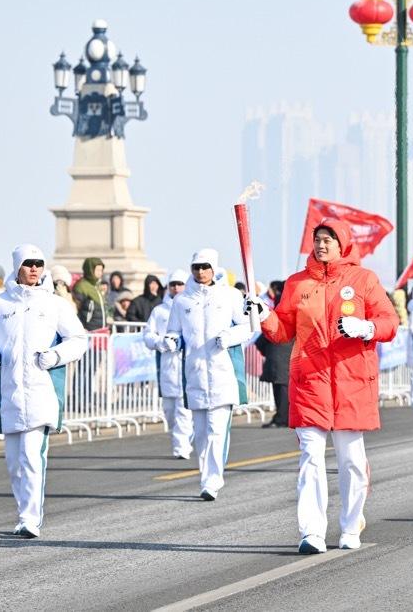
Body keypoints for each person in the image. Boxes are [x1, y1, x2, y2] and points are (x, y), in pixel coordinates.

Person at [252, 219, 399, 554]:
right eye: (318, 239)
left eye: (328, 239)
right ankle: (312, 532)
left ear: (342, 243)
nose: (321, 245)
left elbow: (390, 323)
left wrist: (364, 327)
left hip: (351, 379)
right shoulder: (297, 283)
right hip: (310, 379)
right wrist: (263, 315)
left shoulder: (363, 280)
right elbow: (282, 331)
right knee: (311, 457)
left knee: (350, 459)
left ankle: (350, 524)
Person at [0, 244, 88, 538]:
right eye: (28, 263)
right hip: (10, 393)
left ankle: (30, 519)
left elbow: (79, 340)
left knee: (32, 457)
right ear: (17, 267)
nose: (34, 268)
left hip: (41, 392)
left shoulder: (55, 304)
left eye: (39, 263)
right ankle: (23, 512)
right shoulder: (0, 305)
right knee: (14, 464)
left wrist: (56, 356)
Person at [161, 249, 252, 500]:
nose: (200, 272)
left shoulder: (230, 295)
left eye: (205, 267)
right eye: (196, 267)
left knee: (216, 430)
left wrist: (229, 337)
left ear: (213, 268)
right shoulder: (182, 301)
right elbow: (174, 331)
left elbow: (247, 327)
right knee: (200, 433)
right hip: (195, 374)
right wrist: (170, 341)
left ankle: (213, 481)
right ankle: (205, 477)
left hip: (223, 373)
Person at [143, 269, 193, 458]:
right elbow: (148, 335)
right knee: (170, 413)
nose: (176, 288)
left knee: (183, 410)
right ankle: (185, 436)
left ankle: (181, 448)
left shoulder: (190, 307)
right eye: (173, 285)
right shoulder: (159, 311)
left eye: (180, 284)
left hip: (186, 365)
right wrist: (160, 342)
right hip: (167, 368)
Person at [255, 280, 292, 428]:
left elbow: (265, 335)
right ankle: (284, 417)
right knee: (284, 389)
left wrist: (266, 349)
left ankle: (282, 418)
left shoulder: (280, 305)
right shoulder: (294, 303)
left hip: (278, 353)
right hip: (286, 355)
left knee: (281, 391)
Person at [73, 257, 106, 331]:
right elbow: (76, 309)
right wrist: (81, 327)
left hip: (100, 331)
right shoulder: (82, 286)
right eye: (98, 270)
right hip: (88, 331)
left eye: (101, 270)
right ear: (90, 270)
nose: (100, 273)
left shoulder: (96, 286)